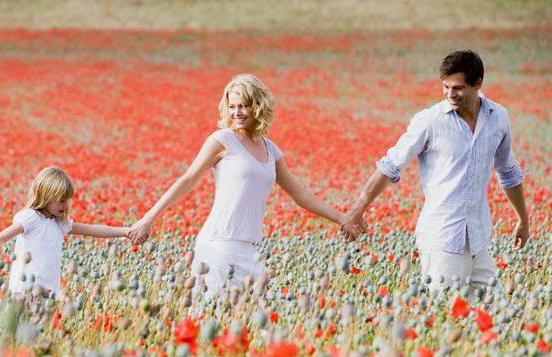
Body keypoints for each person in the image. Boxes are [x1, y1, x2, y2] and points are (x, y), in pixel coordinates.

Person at [128, 73, 358, 295]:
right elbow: (187, 180)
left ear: (258, 106)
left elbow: (301, 195)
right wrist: (149, 219)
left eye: (243, 106)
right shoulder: (222, 140)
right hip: (218, 243)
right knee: (213, 316)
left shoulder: (270, 149)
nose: (236, 112)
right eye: (232, 106)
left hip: (248, 248)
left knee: (252, 319)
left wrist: (342, 218)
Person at [341, 50, 529, 293]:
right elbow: (390, 166)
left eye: (458, 88)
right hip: (442, 239)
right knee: (448, 316)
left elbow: (509, 172)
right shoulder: (430, 121)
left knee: (496, 312)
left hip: (478, 238)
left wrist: (523, 219)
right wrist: (357, 210)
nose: (450, 94)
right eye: (446, 86)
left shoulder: (498, 117)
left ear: (478, 83)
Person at [0, 166, 129, 299]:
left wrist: (126, 231)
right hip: (24, 291)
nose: (65, 205)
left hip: (48, 293)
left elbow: (92, 230)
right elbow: (0, 238)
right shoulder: (31, 218)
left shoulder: (60, 223)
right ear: (45, 197)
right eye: (60, 201)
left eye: (67, 201)